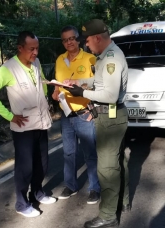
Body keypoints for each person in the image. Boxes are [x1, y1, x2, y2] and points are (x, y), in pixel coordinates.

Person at [0, 31, 56, 218]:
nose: (35, 53)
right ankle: (22, 204)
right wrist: (9, 116)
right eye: (31, 49)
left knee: (42, 164)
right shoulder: (8, 68)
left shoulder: (36, 64)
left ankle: (37, 194)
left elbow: (41, 83)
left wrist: (48, 97)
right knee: (25, 167)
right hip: (23, 127)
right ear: (20, 48)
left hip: (41, 122)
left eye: (37, 48)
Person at [64, 19, 129, 228]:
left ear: (97, 38)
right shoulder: (106, 56)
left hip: (110, 117)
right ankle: (123, 201)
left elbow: (109, 95)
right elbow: (101, 82)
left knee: (107, 168)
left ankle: (109, 215)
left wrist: (81, 92)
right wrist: (80, 82)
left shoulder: (111, 58)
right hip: (110, 116)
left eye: (87, 40)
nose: (86, 45)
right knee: (117, 161)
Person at [51, 25, 100, 204]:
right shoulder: (60, 60)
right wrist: (55, 92)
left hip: (84, 112)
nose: (68, 42)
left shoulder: (90, 59)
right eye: (65, 40)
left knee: (90, 153)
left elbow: (98, 84)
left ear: (78, 39)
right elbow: (57, 83)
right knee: (69, 153)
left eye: (71, 38)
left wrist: (92, 108)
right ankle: (71, 185)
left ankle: (95, 188)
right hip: (66, 113)